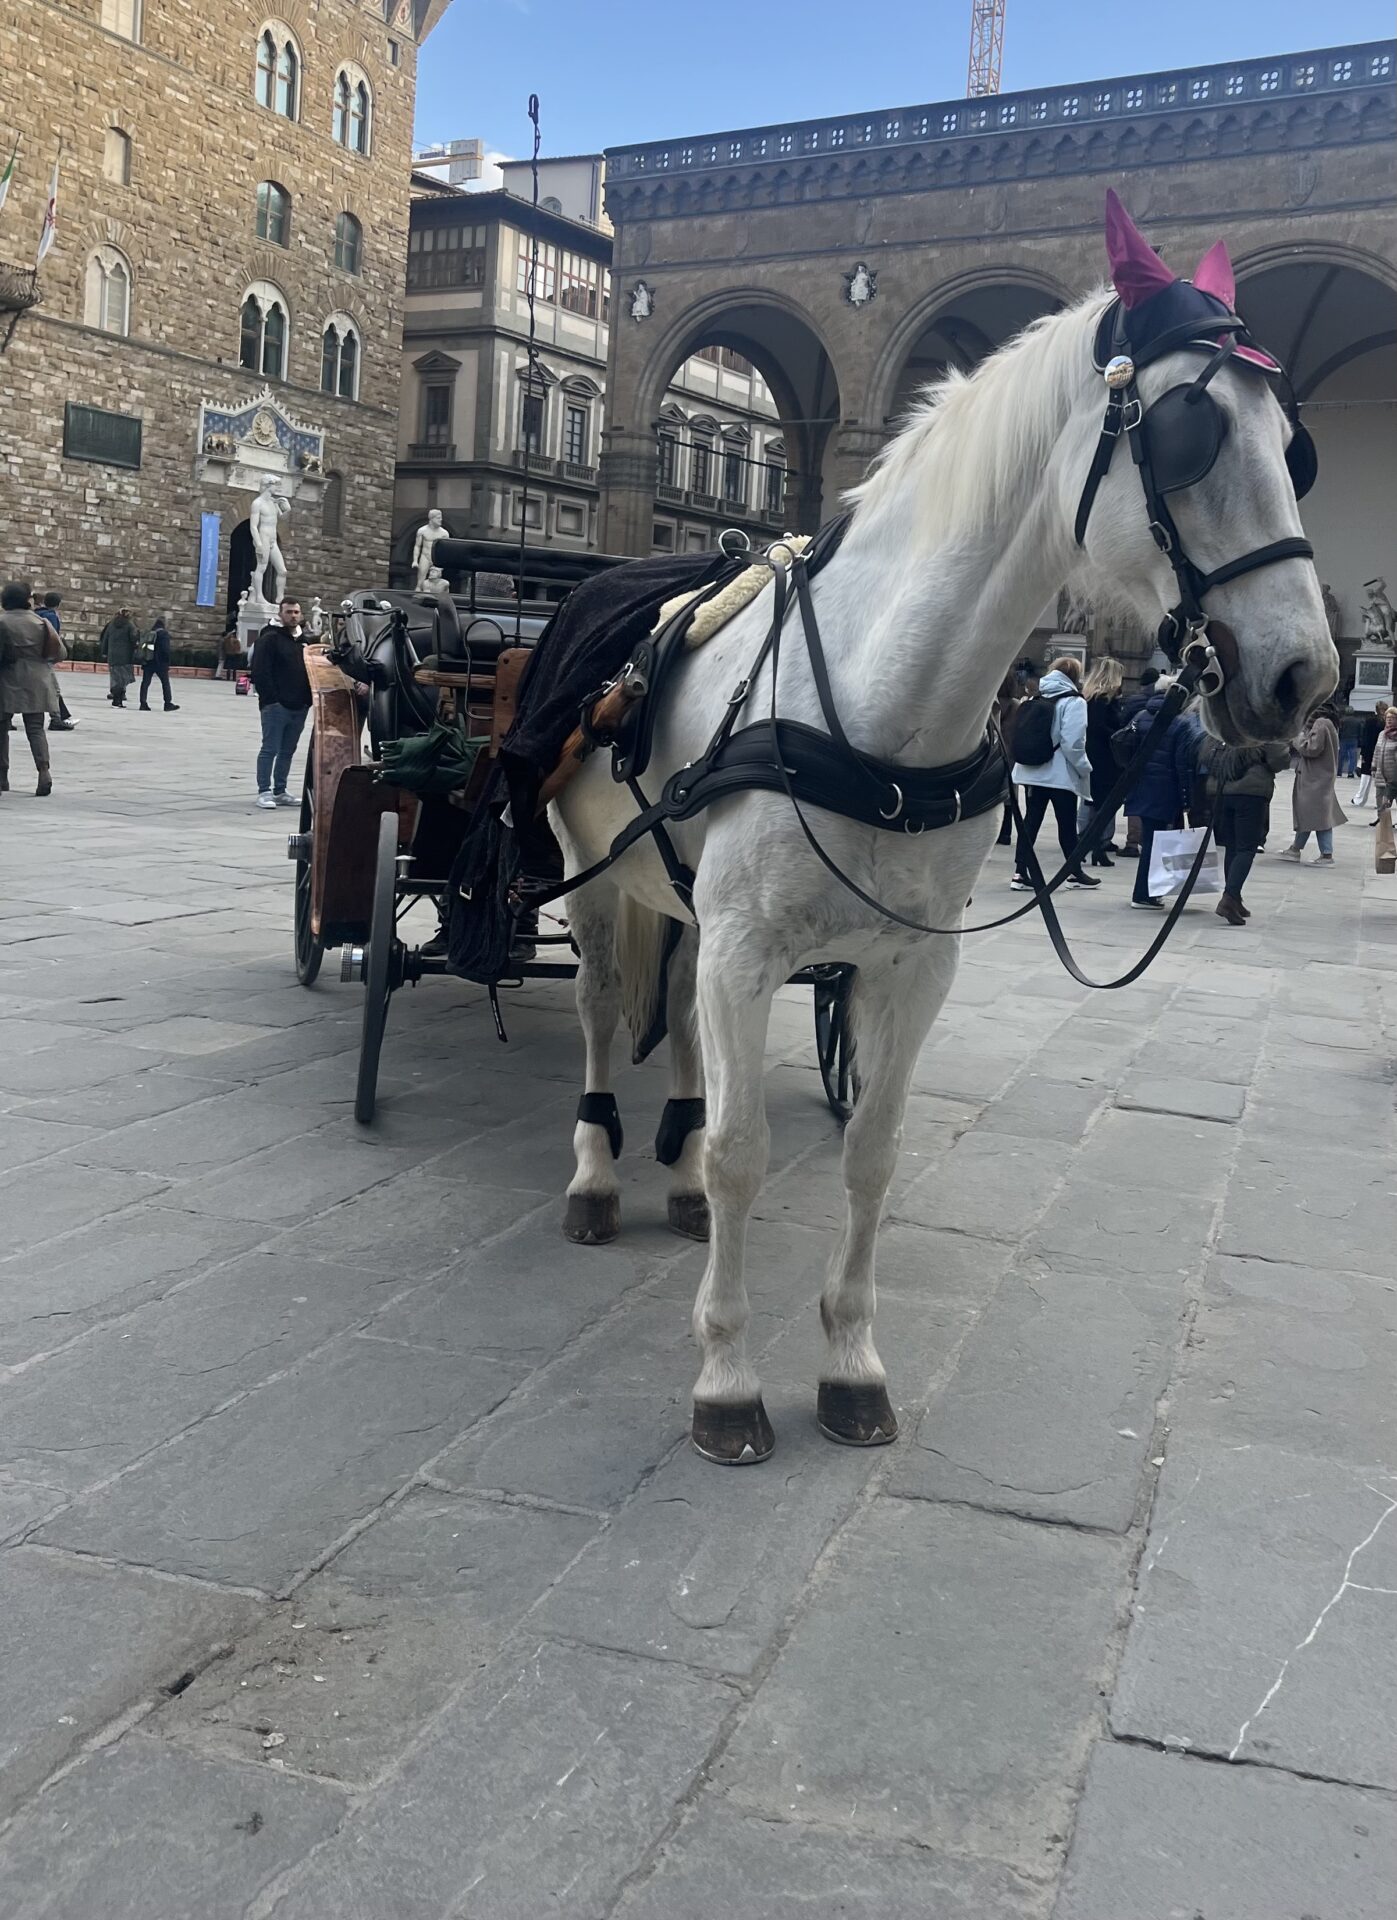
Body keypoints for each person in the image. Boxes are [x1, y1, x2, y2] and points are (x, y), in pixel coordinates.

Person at [1010, 655, 1098, 890]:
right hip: (1060, 775)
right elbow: (1073, 743)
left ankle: (1020, 872)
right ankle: (1074, 870)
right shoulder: (1075, 702)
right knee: (1066, 824)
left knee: (1031, 822)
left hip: (1032, 771)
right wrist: (1084, 767)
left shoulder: (1035, 695)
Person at [1122, 674, 1198, 909]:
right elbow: (1182, 764)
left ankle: (1148, 891)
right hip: (1164, 790)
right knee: (1155, 843)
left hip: (1139, 786)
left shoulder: (1141, 716)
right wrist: (1187, 797)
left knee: (1150, 840)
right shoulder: (1180, 723)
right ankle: (1144, 894)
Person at [1198, 736, 1288, 924]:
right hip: (1250, 792)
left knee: (1232, 846)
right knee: (1246, 848)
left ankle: (1235, 897)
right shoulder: (1263, 726)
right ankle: (1229, 898)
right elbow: (1278, 759)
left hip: (1220, 789)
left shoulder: (1224, 720)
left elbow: (1204, 752)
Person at [0, 581, 63, 797]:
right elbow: (60, 652)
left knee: (1, 729)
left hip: (6, 680)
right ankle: (43, 772)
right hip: (37, 680)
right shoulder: (41, 622)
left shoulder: (2, 622)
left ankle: (2, 776)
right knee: (35, 729)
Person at [251, 595, 312, 809]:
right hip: (276, 706)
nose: (293, 616)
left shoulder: (305, 641)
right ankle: (264, 791)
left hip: (300, 705)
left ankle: (280, 790)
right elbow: (260, 671)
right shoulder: (269, 639)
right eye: (289, 612)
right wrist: (271, 700)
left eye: (296, 612)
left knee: (288, 750)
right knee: (270, 748)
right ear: (280, 614)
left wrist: (308, 700)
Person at [1280, 703, 1346, 865]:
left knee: (1317, 815)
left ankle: (1326, 854)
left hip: (1315, 779)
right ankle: (1296, 848)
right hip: (1319, 777)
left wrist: (1298, 736)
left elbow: (1311, 748)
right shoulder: (1328, 723)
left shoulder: (1321, 723)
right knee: (1311, 814)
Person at [1081, 655, 1125, 865]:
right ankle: (1093, 845)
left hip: (1093, 753)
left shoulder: (1090, 697)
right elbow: (1100, 727)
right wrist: (1119, 734)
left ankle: (1093, 846)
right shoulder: (1102, 699)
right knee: (1104, 803)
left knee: (1096, 803)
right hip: (1104, 757)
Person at [1118, 666, 1160, 857]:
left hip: (1135, 762)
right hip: (1160, 766)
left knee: (1135, 802)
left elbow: (1122, 730)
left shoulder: (1134, 705)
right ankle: (1153, 841)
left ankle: (1132, 841)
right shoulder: (1174, 714)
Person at [35, 594, 76, 730]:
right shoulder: (52, 616)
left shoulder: (35, 614)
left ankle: (60, 716)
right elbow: (53, 638)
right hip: (44, 658)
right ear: (58, 604)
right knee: (53, 689)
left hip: (32, 657)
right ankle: (56, 719)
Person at [993, 668, 1020, 847]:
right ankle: (1006, 833)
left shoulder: (990, 703)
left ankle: (994, 833)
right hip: (1011, 753)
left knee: (992, 794)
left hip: (993, 754)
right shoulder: (1017, 705)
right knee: (1010, 795)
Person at [138, 612, 180, 712]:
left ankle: (143, 703)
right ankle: (167, 704)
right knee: (165, 683)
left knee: (145, 683)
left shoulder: (149, 633)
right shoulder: (164, 634)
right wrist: (167, 662)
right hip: (160, 663)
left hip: (148, 661)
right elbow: (165, 650)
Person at [99, 605, 139, 707]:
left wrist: (104, 652)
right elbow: (134, 639)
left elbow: (105, 639)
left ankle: (115, 697)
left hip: (112, 655)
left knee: (115, 677)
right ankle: (118, 700)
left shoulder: (111, 624)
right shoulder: (130, 625)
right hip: (125, 656)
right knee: (123, 678)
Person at [1356, 699, 1389, 816]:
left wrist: (1363, 752)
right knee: (1382, 779)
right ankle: (1382, 801)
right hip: (1383, 751)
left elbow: (1365, 737)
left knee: (1366, 776)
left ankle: (1359, 799)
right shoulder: (1386, 723)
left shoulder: (1370, 721)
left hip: (1370, 750)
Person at [1337, 707, 1362, 779]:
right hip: (1354, 740)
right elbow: (1360, 731)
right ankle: (1350, 773)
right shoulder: (1357, 721)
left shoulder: (1341, 720)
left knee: (1341, 756)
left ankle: (1339, 772)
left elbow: (1339, 731)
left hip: (1343, 740)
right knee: (1352, 757)